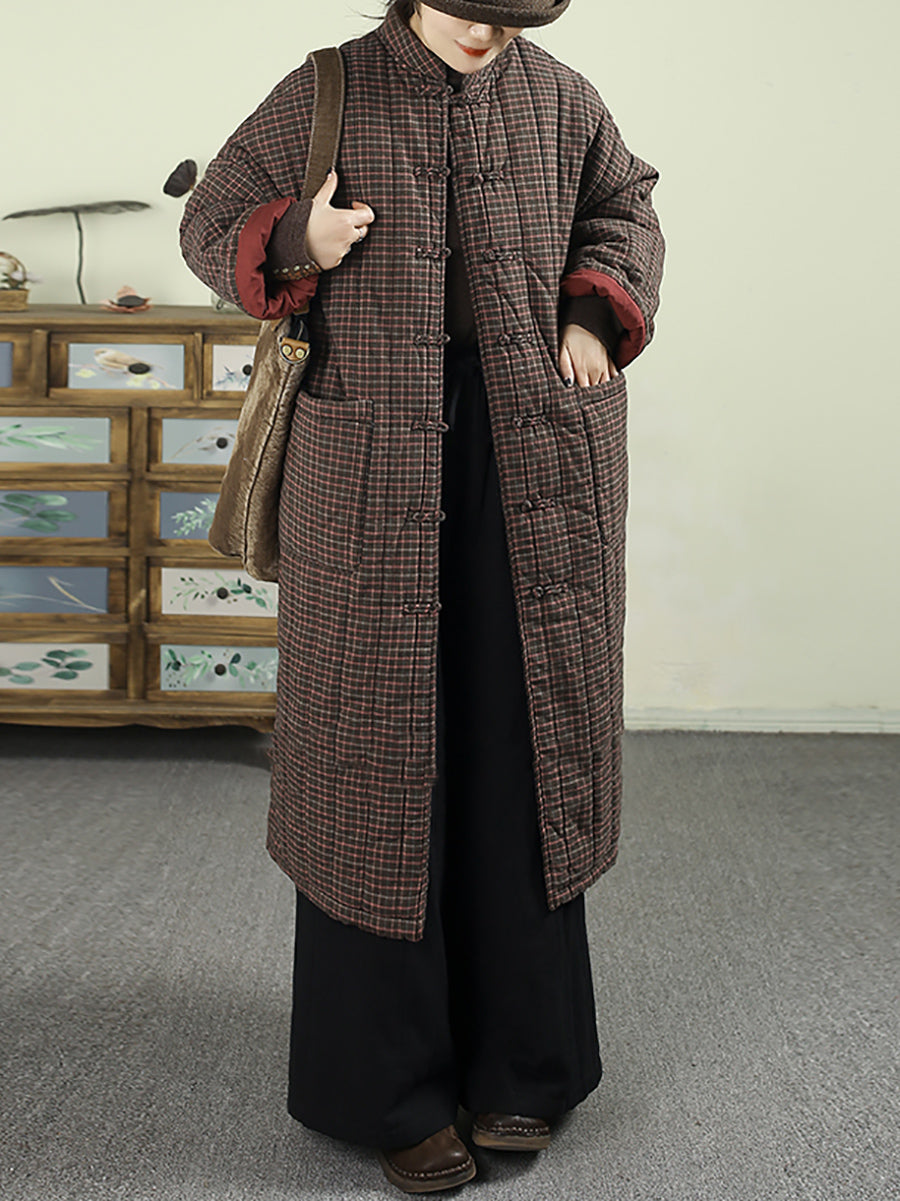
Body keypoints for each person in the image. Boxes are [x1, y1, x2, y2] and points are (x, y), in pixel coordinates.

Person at [180, 0, 664, 1192]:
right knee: (374, 758)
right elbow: (209, 225)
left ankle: (525, 1066)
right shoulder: (326, 86)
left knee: (523, 738)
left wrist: (590, 311)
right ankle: (386, 1089)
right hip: (368, 459)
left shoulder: (562, 95)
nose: (486, 34)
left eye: (508, 14)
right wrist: (297, 238)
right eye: (466, 9)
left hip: (534, 453)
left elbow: (625, 207)